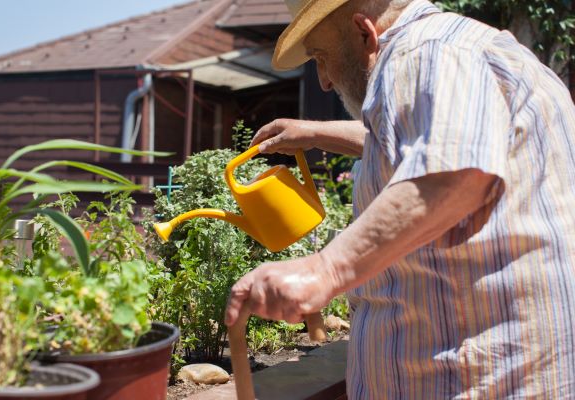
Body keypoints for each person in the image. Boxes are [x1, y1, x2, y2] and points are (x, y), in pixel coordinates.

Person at [225, 0, 575, 397]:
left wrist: (324, 271)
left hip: (472, 380)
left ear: (364, 32)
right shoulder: (464, 48)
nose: (322, 80)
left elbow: (455, 171)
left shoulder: (425, 51)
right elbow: (418, 139)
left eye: (321, 57)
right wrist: (314, 132)